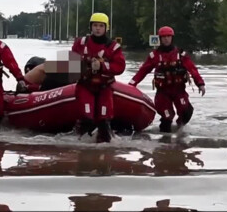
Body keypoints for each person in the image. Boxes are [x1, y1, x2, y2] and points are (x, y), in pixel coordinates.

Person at [128, 26, 205, 133]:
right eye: (163, 37)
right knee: (166, 117)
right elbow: (143, 71)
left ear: (172, 38)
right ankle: (164, 140)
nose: (166, 39)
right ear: (160, 38)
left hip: (179, 90)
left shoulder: (181, 54)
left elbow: (192, 69)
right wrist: (131, 85)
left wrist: (200, 84)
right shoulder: (154, 56)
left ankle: (179, 131)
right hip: (163, 92)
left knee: (186, 112)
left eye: (168, 36)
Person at [71, 12, 126, 142]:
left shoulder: (113, 47)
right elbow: (71, 62)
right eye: (95, 25)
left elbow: (120, 67)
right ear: (91, 27)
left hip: (104, 87)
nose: (97, 28)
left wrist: (102, 66)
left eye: (101, 26)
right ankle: (82, 146)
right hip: (85, 86)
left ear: (106, 28)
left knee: (104, 121)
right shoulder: (80, 43)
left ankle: (104, 148)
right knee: (87, 118)